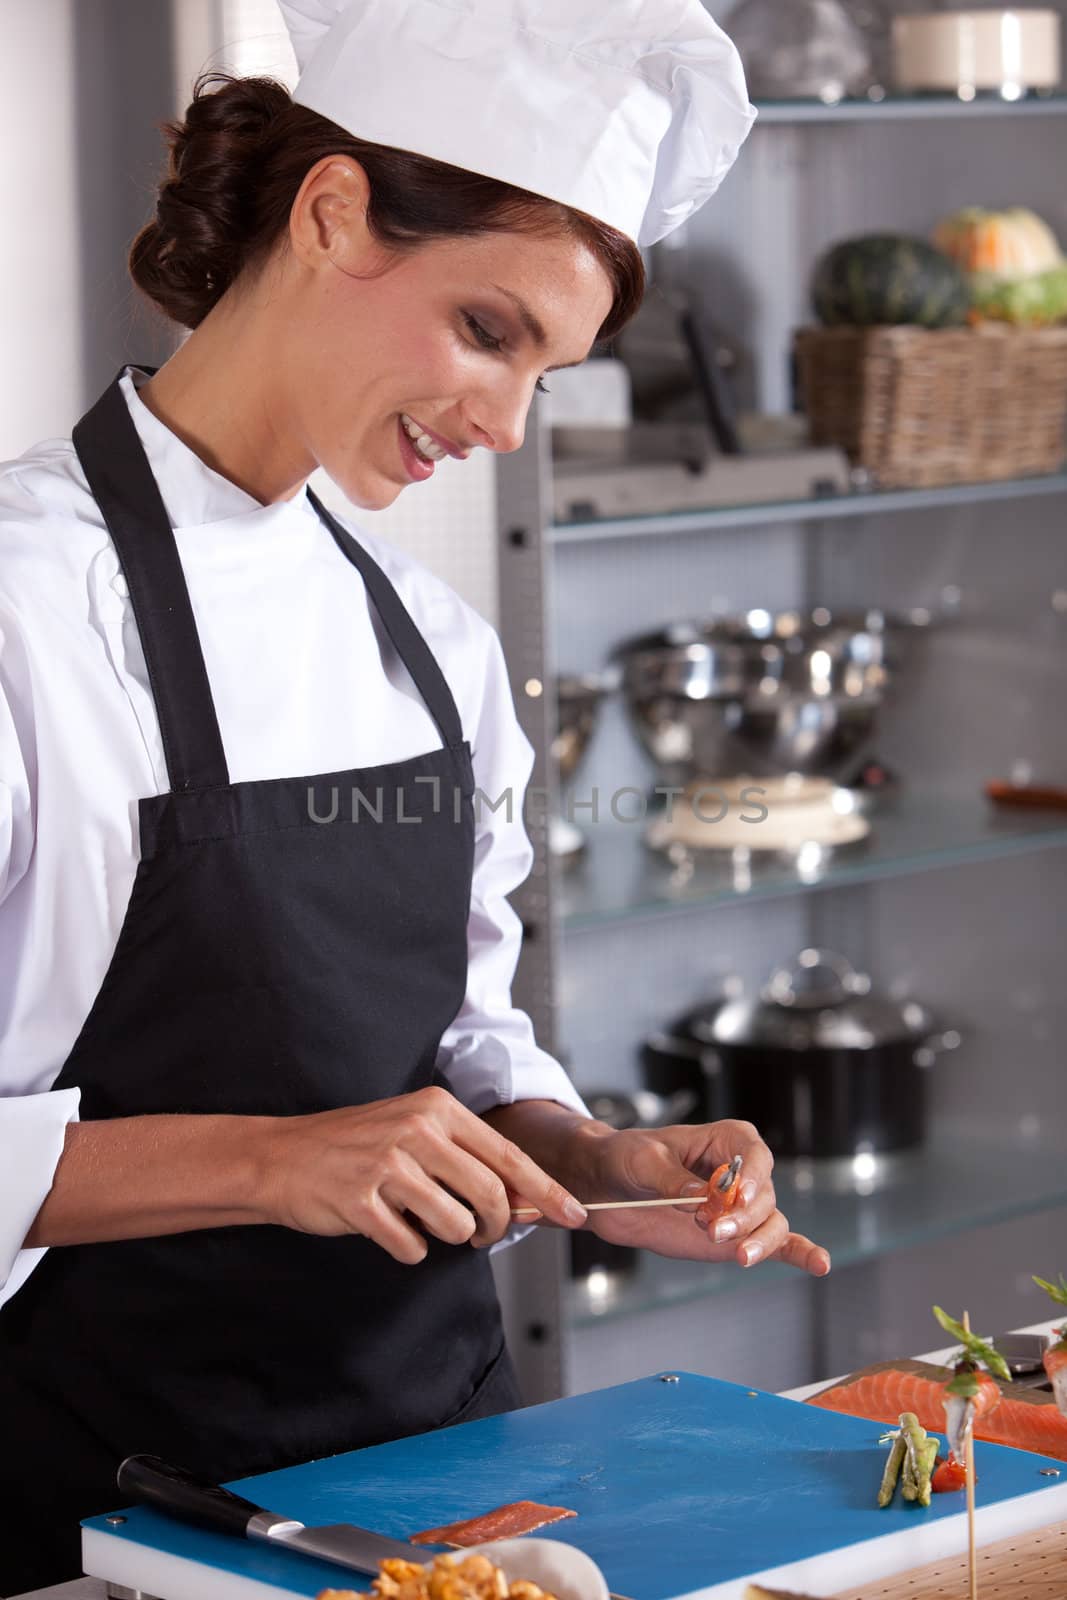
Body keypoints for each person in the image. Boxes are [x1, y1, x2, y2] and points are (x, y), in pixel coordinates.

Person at [0, 1, 829, 1590]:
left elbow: (451, 1035)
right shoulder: (27, 613)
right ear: (329, 216)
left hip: (448, 1497)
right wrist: (266, 1159)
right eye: (488, 331)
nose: (508, 423)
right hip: (107, 1512)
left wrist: (581, 1157)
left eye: (549, 371)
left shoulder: (433, 651)